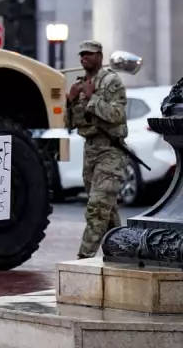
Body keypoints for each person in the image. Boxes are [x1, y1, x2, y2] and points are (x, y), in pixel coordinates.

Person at [65, 40, 128, 259]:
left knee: (97, 208)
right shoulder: (80, 83)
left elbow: (116, 116)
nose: (84, 58)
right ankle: (122, 254)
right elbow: (70, 125)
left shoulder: (111, 81)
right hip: (90, 151)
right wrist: (70, 102)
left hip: (110, 150)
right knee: (107, 212)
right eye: (81, 54)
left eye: (89, 54)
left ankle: (83, 258)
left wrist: (92, 98)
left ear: (100, 56)